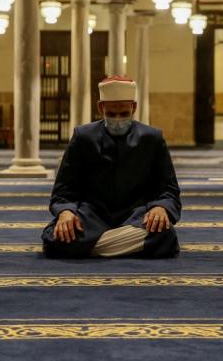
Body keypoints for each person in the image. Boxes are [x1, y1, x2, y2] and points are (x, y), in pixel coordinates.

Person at [41, 75, 181, 259]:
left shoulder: (151, 138)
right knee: (55, 237)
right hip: (92, 215)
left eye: (124, 114)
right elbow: (63, 190)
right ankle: (125, 246)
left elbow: (169, 190)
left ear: (133, 108)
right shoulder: (83, 137)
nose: (118, 120)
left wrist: (160, 208)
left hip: (135, 215)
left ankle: (89, 247)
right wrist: (66, 212)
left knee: (165, 234)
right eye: (111, 114)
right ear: (101, 108)